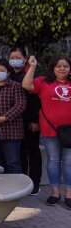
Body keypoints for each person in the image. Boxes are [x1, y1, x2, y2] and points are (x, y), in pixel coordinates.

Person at [0, 45, 42, 194]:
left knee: (30, 154)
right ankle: (4, 187)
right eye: (12, 58)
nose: (15, 61)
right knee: (14, 157)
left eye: (18, 58)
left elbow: (30, 101)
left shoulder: (30, 74)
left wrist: (34, 120)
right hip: (4, 126)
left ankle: (31, 186)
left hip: (25, 122)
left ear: (25, 59)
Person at [22, 55, 71, 207]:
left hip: (70, 132)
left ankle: (69, 194)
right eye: (58, 66)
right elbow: (26, 85)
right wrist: (32, 67)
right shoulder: (43, 81)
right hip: (50, 129)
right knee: (53, 161)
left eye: (65, 66)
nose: (62, 69)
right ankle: (55, 192)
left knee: (69, 163)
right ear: (53, 68)